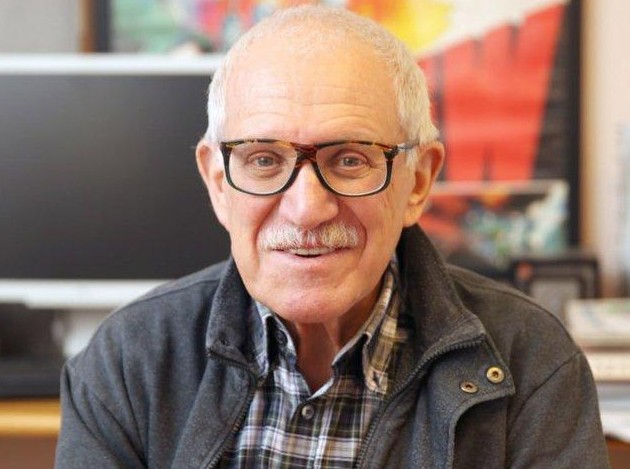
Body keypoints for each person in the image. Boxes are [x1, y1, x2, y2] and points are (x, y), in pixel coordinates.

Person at [55, 5, 609, 468]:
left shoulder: (533, 364)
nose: (307, 209)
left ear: (417, 181)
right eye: (264, 159)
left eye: (349, 159)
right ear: (218, 183)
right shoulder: (125, 363)